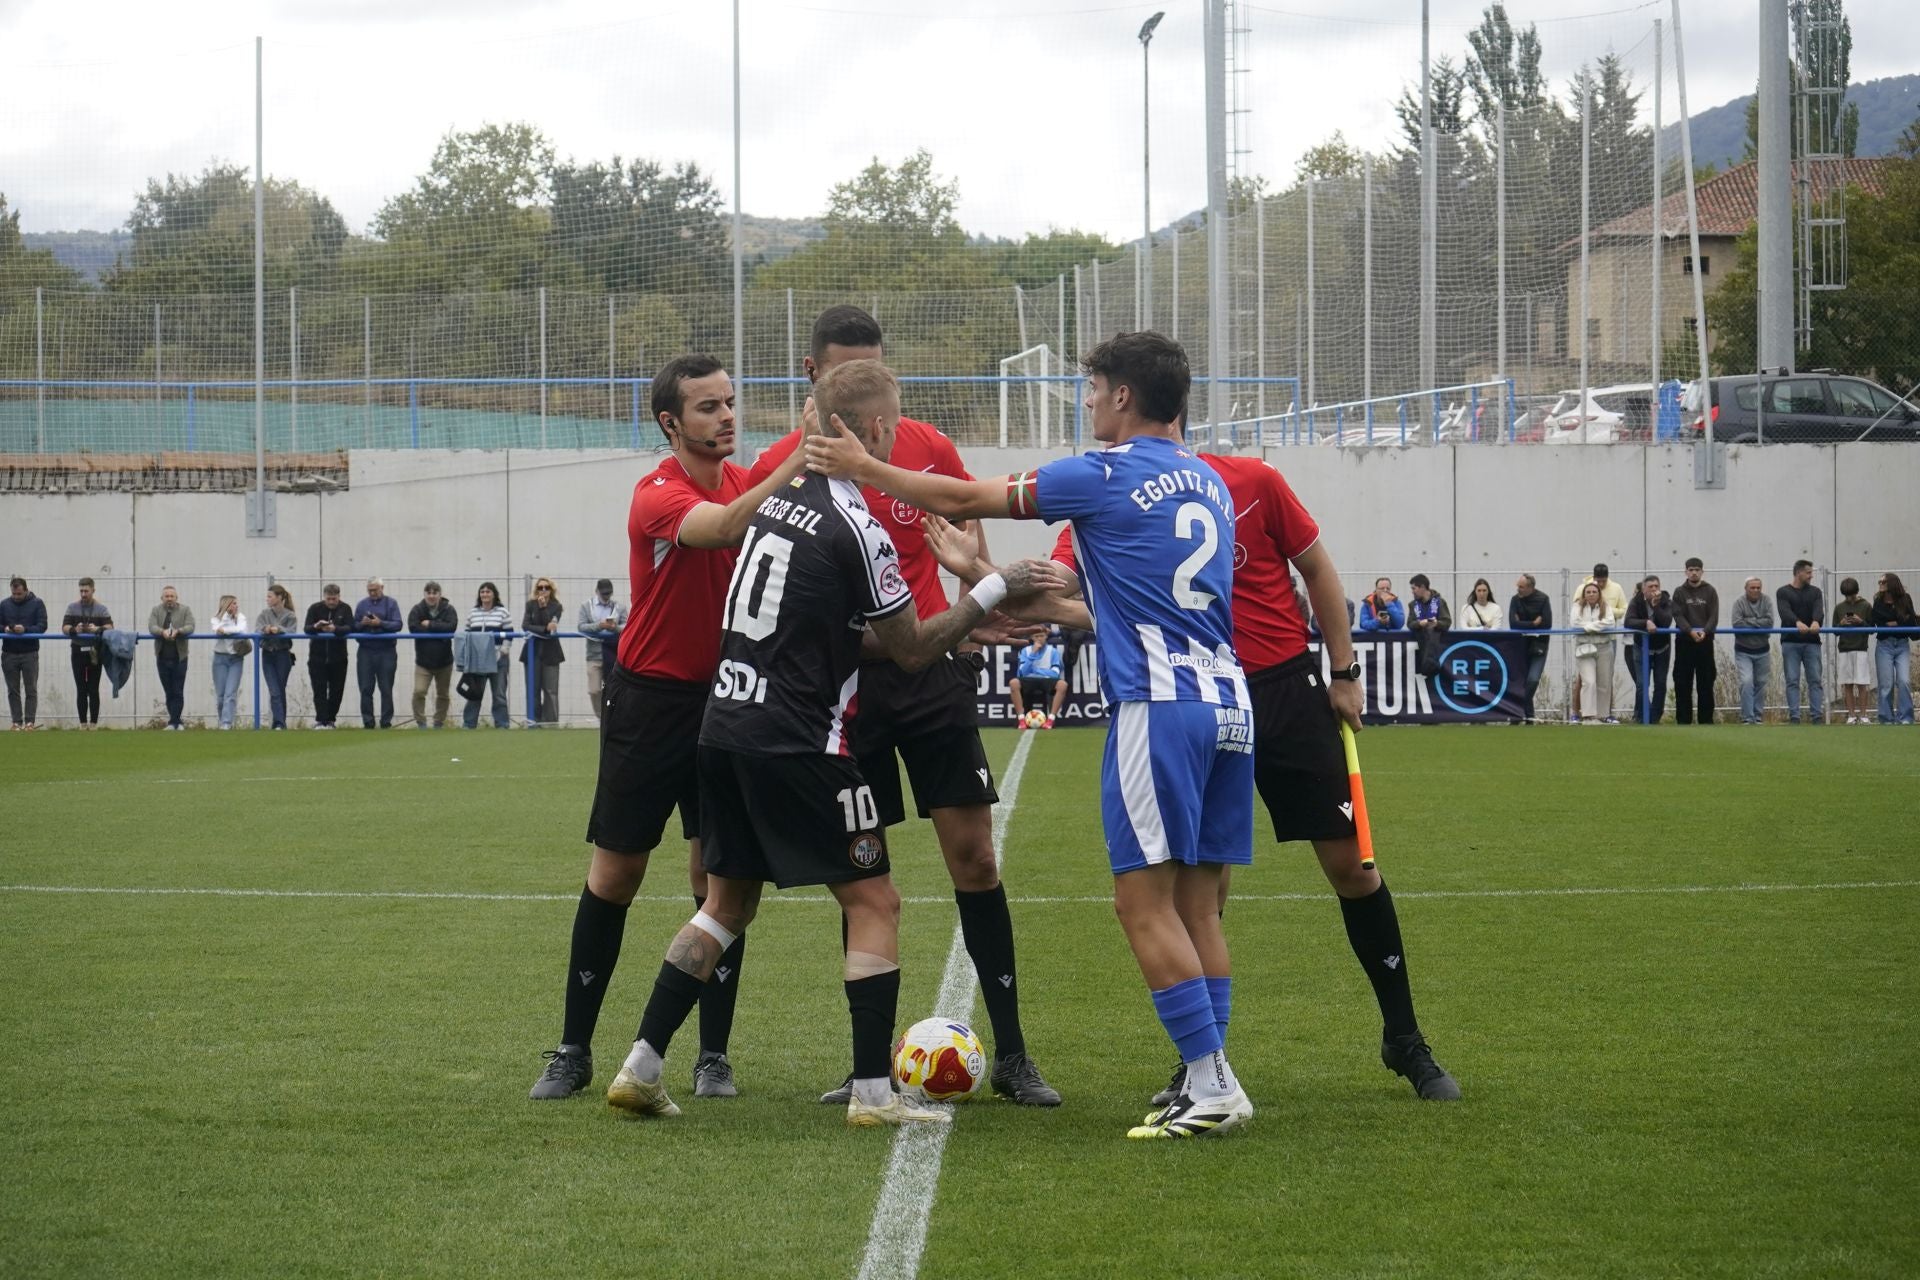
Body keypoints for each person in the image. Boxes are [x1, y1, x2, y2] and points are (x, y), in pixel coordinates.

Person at [805, 334, 1261, 1139]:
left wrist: (867, 469)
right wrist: (992, 593)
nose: (1086, 402)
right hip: (1228, 703)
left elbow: (973, 494)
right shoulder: (1210, 482)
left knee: (1139, 899)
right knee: (1199, 906)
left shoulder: (1106, 471)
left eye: (1091, 389)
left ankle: (1212, 1082)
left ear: (1123, 396)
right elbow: (1116, 601)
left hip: (1159, 708)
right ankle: (1208, 1074)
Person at [604, 357, 1065, 1128]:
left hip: (721, 728)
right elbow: (914, 648)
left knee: (724, 905)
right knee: (876, 898)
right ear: (878, 432)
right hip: (800, 743)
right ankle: (873, 1096)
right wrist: (992, 587)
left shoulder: (772, 508)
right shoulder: (861, 525)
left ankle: (640, 1064)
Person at [749, 306, 1058, 1108]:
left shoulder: (922, 449)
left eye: (879, 375)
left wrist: (977, 605)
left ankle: (1017, 1055)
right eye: (848, 373)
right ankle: (864, 1064)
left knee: (976, 859)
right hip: (845, 694)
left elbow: (970, 547)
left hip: (931, 682)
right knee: (864, 879)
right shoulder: (784, 465)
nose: (871, 398)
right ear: (813, 377)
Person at [530, 354, 807, 1103]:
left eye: (730, 402)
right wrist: (789, 467)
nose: (725, 416)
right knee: (616, 875)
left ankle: (711, 1055)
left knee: (717, 880)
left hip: (728, 701)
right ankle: (573, 1049)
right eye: (707, 407)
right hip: (650, 702)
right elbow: (718, 528)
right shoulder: (657, 493)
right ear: (669, 423)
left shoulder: (750, 481)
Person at [1670, 558, 1720, 725]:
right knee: (1683, 683)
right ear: (1686, 572)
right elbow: (1677, 615)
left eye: (1697, 569)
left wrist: (1705, 632)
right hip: (1684, 642)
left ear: (1702, 572)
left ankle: (1706, 721)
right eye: (1691, 569)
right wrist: (1690, 631)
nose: (1694, 572)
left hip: (1705, 643)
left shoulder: (1710, 591)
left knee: (1706, 682)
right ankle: (1683, 721)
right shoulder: (1679, 592)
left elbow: (1714, 615)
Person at [1775, 560, 1825, 724]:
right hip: (1791, 642)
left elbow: (1818, 609)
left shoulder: (1816, 592)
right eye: (1808, 572)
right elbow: (1784, 611)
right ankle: (1795, 717)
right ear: (1798, 573)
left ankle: (1817, 716)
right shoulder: (1783, 592)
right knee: (1792, 680)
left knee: (1815, 680)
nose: (1811, 576)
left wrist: (1816, 621)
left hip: (1812, 642)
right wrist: (1797, 622)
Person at [461, 583, 514, 729]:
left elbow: (509, 632)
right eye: (482, 592)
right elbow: (466, 633)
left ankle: (502, 724)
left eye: (488, 591)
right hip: (478, 660)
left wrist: (504, 649)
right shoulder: (473, 612)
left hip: (498, 659)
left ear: (494, 594)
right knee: (474, 693)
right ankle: (468, 724)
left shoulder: (502, 612)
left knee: (499, 694)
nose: (485, 594)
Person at [61, 577, 112, 729]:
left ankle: (94, 724)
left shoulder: (101, 608)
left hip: (95, 651)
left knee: (93, 688)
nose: (83, 594)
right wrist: (73, 630)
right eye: (81, 591)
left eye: (86, 591)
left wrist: (97, 629)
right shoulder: (72, 607)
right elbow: (64, 627)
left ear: (93, 590)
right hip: (77, 650)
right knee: (81, 689)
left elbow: (110, 626)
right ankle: (83, 724)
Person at [353, 578, 403, 728]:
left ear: (382, 587)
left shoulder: (391, 603)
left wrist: (380, 623)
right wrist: (363, 623)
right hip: (365, 651)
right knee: (365, 688)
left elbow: (398, 624)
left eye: (375, 589)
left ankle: (386, 722)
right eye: (370, 590)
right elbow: (353, 626)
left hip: (386, 650)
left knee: (386, 687)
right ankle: (368, 722)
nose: (372, 593)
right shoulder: (362, 605)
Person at [407, 582, 458, 729]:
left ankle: (438, 722)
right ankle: (421, 722)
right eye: (428, 593)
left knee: (443, 694)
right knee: (419, 691)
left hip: (445, 661)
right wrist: (439, 632)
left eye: (434, 593)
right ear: (424, 594)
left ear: (440, 594)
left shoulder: (449, 609)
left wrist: (429, 624)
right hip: (423, 662)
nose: (431, 596)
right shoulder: (417, 609)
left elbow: (451, 627)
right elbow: (413, 628)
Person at [1623, 575, 1673, 724]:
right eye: (1650, 587)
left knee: (1661, 684)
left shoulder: (1665, 600)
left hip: (1662, 648)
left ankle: (1654, 718)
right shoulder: (1636, 601)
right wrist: (1646, 622)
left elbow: (1666, 621)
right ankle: (1641, 717)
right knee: (1642, 684)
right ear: (1643, 589)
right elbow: (1628, 621)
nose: (1654, 589)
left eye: (1656, 586)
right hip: (1642, 647)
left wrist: (1656, 605)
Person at [304, 584, 354, 730]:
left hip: (339, 657)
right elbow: (307, 628)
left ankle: (331, 719)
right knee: (318, 689)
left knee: (336, 690)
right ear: (324, 597)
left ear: (339, 596)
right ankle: (321, 720)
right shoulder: (315, 608)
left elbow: (351, 627)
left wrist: (335, 629)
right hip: (317, 657)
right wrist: (317, 627)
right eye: (329, 599)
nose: (331, 602)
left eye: (334, 599)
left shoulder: (345, 609)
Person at [2, 576, 48, 730]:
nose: (16, 597)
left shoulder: (37, 604)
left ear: (26, 590)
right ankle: (16, 722)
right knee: (12, 690)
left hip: (30, 652)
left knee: (31, 689)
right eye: (14, 594)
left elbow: (42, 626)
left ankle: (29, 723)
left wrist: (26, 630)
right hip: (9, 653)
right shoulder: (4, 604)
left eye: (19, 594)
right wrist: (5, 629)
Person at [578, 578, 627, 724]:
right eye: (604, 594)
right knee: (594, 689)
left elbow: (628, 625)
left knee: (613, 688)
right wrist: (599, 626)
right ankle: (602, 717)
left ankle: (615, 718)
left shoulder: (620, 607)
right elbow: (581, 627)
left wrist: (615, 628)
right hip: (594, 654)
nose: (606, 597)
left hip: (613, 653)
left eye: (609, 594)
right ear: (597, 592)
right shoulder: (586, 606)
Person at [1871, 572, 1916, 725]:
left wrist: (1896, 622)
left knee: (1904, 681)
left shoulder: (1905, 599)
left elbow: (1910, 621)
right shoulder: (1878, 600)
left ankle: (1906, 718)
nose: (1880, 584)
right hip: (1884, 645)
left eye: (1882, 581)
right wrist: (1898, 620)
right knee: (1886, 684)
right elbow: (1877, 618)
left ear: (1890, 584)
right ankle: (1886, 719)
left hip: (1902, 644)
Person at [146, 585, 194, 730]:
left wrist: (179, 631)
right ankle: (174, 721)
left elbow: (191, 626)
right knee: (168, 691)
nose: (169, 599)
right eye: (166, 596)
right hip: (162, 658)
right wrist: (162, 632)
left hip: (180, 657)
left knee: (178, 690)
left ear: (176, 598)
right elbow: (151, 626)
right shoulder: (156, 610)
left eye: (172, 596)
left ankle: (176, 722)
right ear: (162, 598)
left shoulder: (185, 610)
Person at [520, 579, 565, 726]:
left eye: (547, 587)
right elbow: (525, 626)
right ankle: (533, 722)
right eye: (540, 587)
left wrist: (543, 608)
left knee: (551, 691)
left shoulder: (557, 606)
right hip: (532, 653)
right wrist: (544, 629)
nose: (543, 590)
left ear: (551, 590)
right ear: (536, 590)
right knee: (532, 690)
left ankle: (550, 724)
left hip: (551, 653)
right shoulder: (530, 605)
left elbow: (552, 626)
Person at [1509, 574, 1553, 723]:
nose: (1518, 589)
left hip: (1539, 645)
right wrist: (1533, 624)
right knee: (1521, 681)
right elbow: (1513, 624)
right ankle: (1529, 716)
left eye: (1521, 587)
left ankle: (1516, 708)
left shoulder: (1543, 599)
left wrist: (1524, 623)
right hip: (1520, 645)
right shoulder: (1515, 600)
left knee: (1533, 679)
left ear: (1530, 587)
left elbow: (1546, 624)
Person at [1570, 582, 1617, 724]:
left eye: (1594, 592)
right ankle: (1588, 715)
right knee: (1589, 681)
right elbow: (1575, 624)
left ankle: (1602, 715)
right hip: (1585, 647)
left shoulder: (1606, 606)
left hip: (1604, 647)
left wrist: (1589, 627)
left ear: (1599, 594)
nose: (1591, 594)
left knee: (1604, 682)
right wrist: (1597, 626)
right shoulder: (1577, 606)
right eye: (1588, 592)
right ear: (1584, 594)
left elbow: (1610, 622)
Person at [1731, 577, 1775, 725]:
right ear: (1746, 588)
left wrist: (1749, 621)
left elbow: (1769, 623)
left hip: (1763, 649)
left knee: (1761, 682)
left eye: (1758, 588)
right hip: (1743, 650)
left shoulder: (1767, 601)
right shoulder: (1739, 603)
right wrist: (1758, 623)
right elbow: (1737, 624)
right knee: (1746, 681)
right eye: (1752, 588)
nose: (1756, 590)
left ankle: (1757, 716)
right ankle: (1747, 718)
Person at [256, 586, 298, 730]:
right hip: (267, 654)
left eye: (270, 596)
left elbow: (292, 631)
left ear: (280, 597)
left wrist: (279, 630)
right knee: (274, 690)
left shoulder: (290, 615)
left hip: (282, 655)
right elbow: (257, 629)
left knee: (280, 689)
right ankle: (279, 723)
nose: (267, 599)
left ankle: (280, 722)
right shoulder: (264, 614)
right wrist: (265, 630)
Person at [1832, 578, 1874, 724]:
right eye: (1846, 595)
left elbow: (1872, 629)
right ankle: (1851, 715)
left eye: (1851, 594)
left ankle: (1863, 715)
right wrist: (1841, 624)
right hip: (1844, 649)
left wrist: (1860, 621)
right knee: (1847, 683)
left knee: (1862, 683)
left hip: (1861, 648)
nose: (1849, 598)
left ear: (1856, 592)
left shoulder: (1866, 605)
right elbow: (1834, 631)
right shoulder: (1839, 608)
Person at [209, 594, 248, 730]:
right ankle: (222, 721)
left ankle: (227, 723)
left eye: (236, 604)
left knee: (230, 693)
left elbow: (241, 630)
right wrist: (225, 620)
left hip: (236, 658)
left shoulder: (241, 617)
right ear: (225, 605)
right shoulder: (216, 617)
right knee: (220, 695)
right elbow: (216, 628)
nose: (236, 606)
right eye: (233, 604)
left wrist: (225, 630)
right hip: (220, 658)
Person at [1011, 631, 1065, 727]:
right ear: (1032, 638)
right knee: (1014, 683)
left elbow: (1055, 673)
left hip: (1047, 679)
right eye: (1036, 636)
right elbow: (1022, 673)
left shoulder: (1053, 651)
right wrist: (1033, 654)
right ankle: (1022, 720)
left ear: (1046, 637)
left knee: (1062, 685)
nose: (1039, 638)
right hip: (1029, 680)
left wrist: (1035, 670)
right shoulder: (1025, 651)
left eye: (1042, 636)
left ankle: (1051, 720)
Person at [1406, 574, 1450, 644]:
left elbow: (1447, 622)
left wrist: (1436, 624)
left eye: (1414, 588)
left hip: (1436, 645)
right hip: (1419, 645)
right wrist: (1420, 623)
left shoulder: (1440, 602)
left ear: (1423, 587)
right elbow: (1410, 624)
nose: (1412, 591)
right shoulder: (1413, 605)